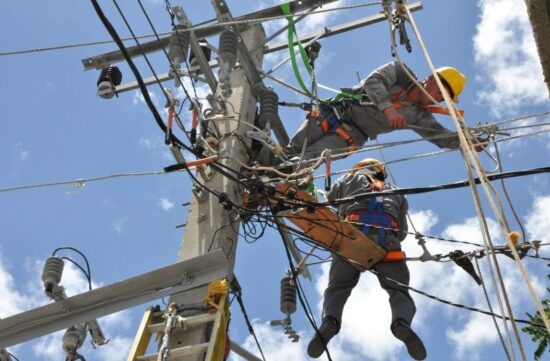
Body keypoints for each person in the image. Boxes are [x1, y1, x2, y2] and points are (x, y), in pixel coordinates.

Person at [307, 158, 426, 360]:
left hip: (352, 235)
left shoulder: (349, 178)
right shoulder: (396, 190)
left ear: (359, 169)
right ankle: (401, 322)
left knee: (338, 286)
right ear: (381, 173)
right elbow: (403, 232)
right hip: (388, 242)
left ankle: (331, 321)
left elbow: (331, 200)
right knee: (399, 291)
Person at [285, 61, 484, 162]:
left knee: (312, 157)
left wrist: (466, 142)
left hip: (351, 135)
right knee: (293, 148)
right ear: (431, 78)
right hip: (334, 112)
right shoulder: (400, 72)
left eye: (444, 98)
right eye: (441, 92)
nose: (439, 99)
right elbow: (374, 82)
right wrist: (389, 109)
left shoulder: (419, 116)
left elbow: (440, 137)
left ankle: (285, 177)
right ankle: (263, 170)